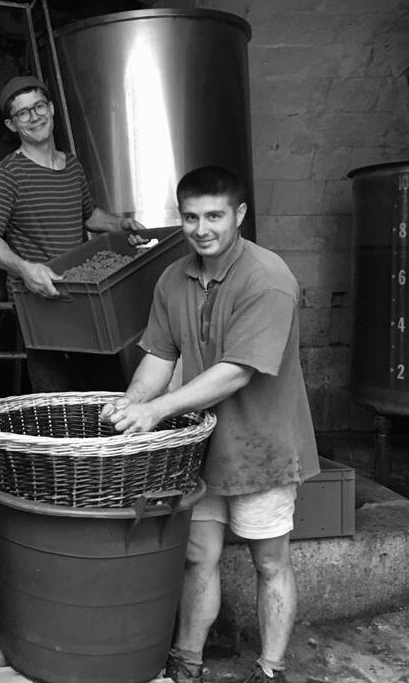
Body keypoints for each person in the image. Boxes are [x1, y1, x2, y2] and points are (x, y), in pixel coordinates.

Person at [101, 166, 319, 683]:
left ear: (239, 214)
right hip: (199, 449)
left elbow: (236, 372)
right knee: (198, 557)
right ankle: (188, 660)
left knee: (270, 563)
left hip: (263, 446)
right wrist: (129, 411)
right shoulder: (172, 279)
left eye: (215, 216)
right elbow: (158, 356)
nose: (202, 229)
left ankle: (270, 669)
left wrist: (156, 411)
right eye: (191, 216)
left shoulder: (269, 279)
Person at [0, 74, 147, 392]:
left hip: (83, 295)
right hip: (39, 300)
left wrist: (121, 225)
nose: (34, 116)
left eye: (38, 106)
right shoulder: (7, 175)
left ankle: (107, 443)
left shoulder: (72, 166)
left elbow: (88, 215)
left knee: (106, 389)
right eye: (23, 112)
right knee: (56, 396)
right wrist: (25, 269)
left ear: (51, 109)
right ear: (12, 125)